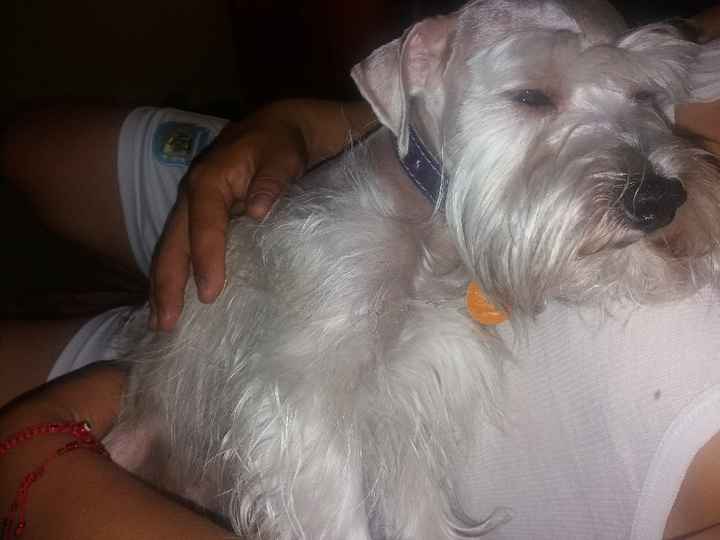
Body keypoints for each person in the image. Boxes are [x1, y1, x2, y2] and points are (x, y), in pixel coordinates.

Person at [2, 12, 720, 540]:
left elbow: (384, 441)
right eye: (534, 98)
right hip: (296, 216)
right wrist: (296, 123)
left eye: (641, 101)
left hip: (167, 435)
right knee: (34, 148)